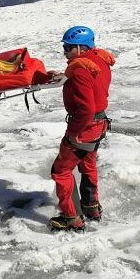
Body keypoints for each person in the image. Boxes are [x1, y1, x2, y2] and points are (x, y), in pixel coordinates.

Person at [49, 25, 115, 231]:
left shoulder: (80, 70)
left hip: (85, 127)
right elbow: (91, 81)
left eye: (68, 48)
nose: (65, 52)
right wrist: (65, 75)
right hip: (99, 124)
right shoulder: (99, 60)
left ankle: (71, 218)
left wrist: (74, 133)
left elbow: (86, 108)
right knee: (88, 165)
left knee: (61, 170)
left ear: (80, 47)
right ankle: (91, 207)